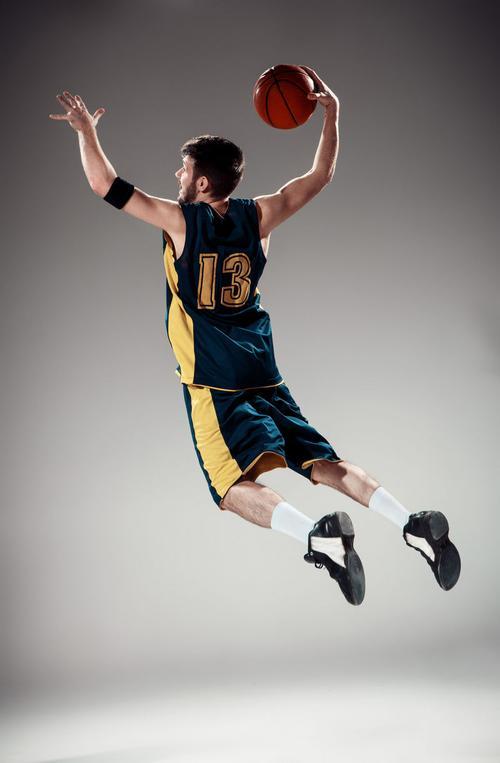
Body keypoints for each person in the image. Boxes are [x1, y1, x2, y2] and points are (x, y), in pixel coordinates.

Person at [49, 66, 461, 606]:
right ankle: (410, 521)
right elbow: (320, 175)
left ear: (201, 183)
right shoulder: (261, 216)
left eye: (184, 168)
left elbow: (106, 185)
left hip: (213, 381)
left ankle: (318, 537)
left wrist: (86, 133)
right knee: (322, 462)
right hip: (264, 371)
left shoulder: (180, 222)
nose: (177, 174)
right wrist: (332, 115)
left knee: (228, 487)